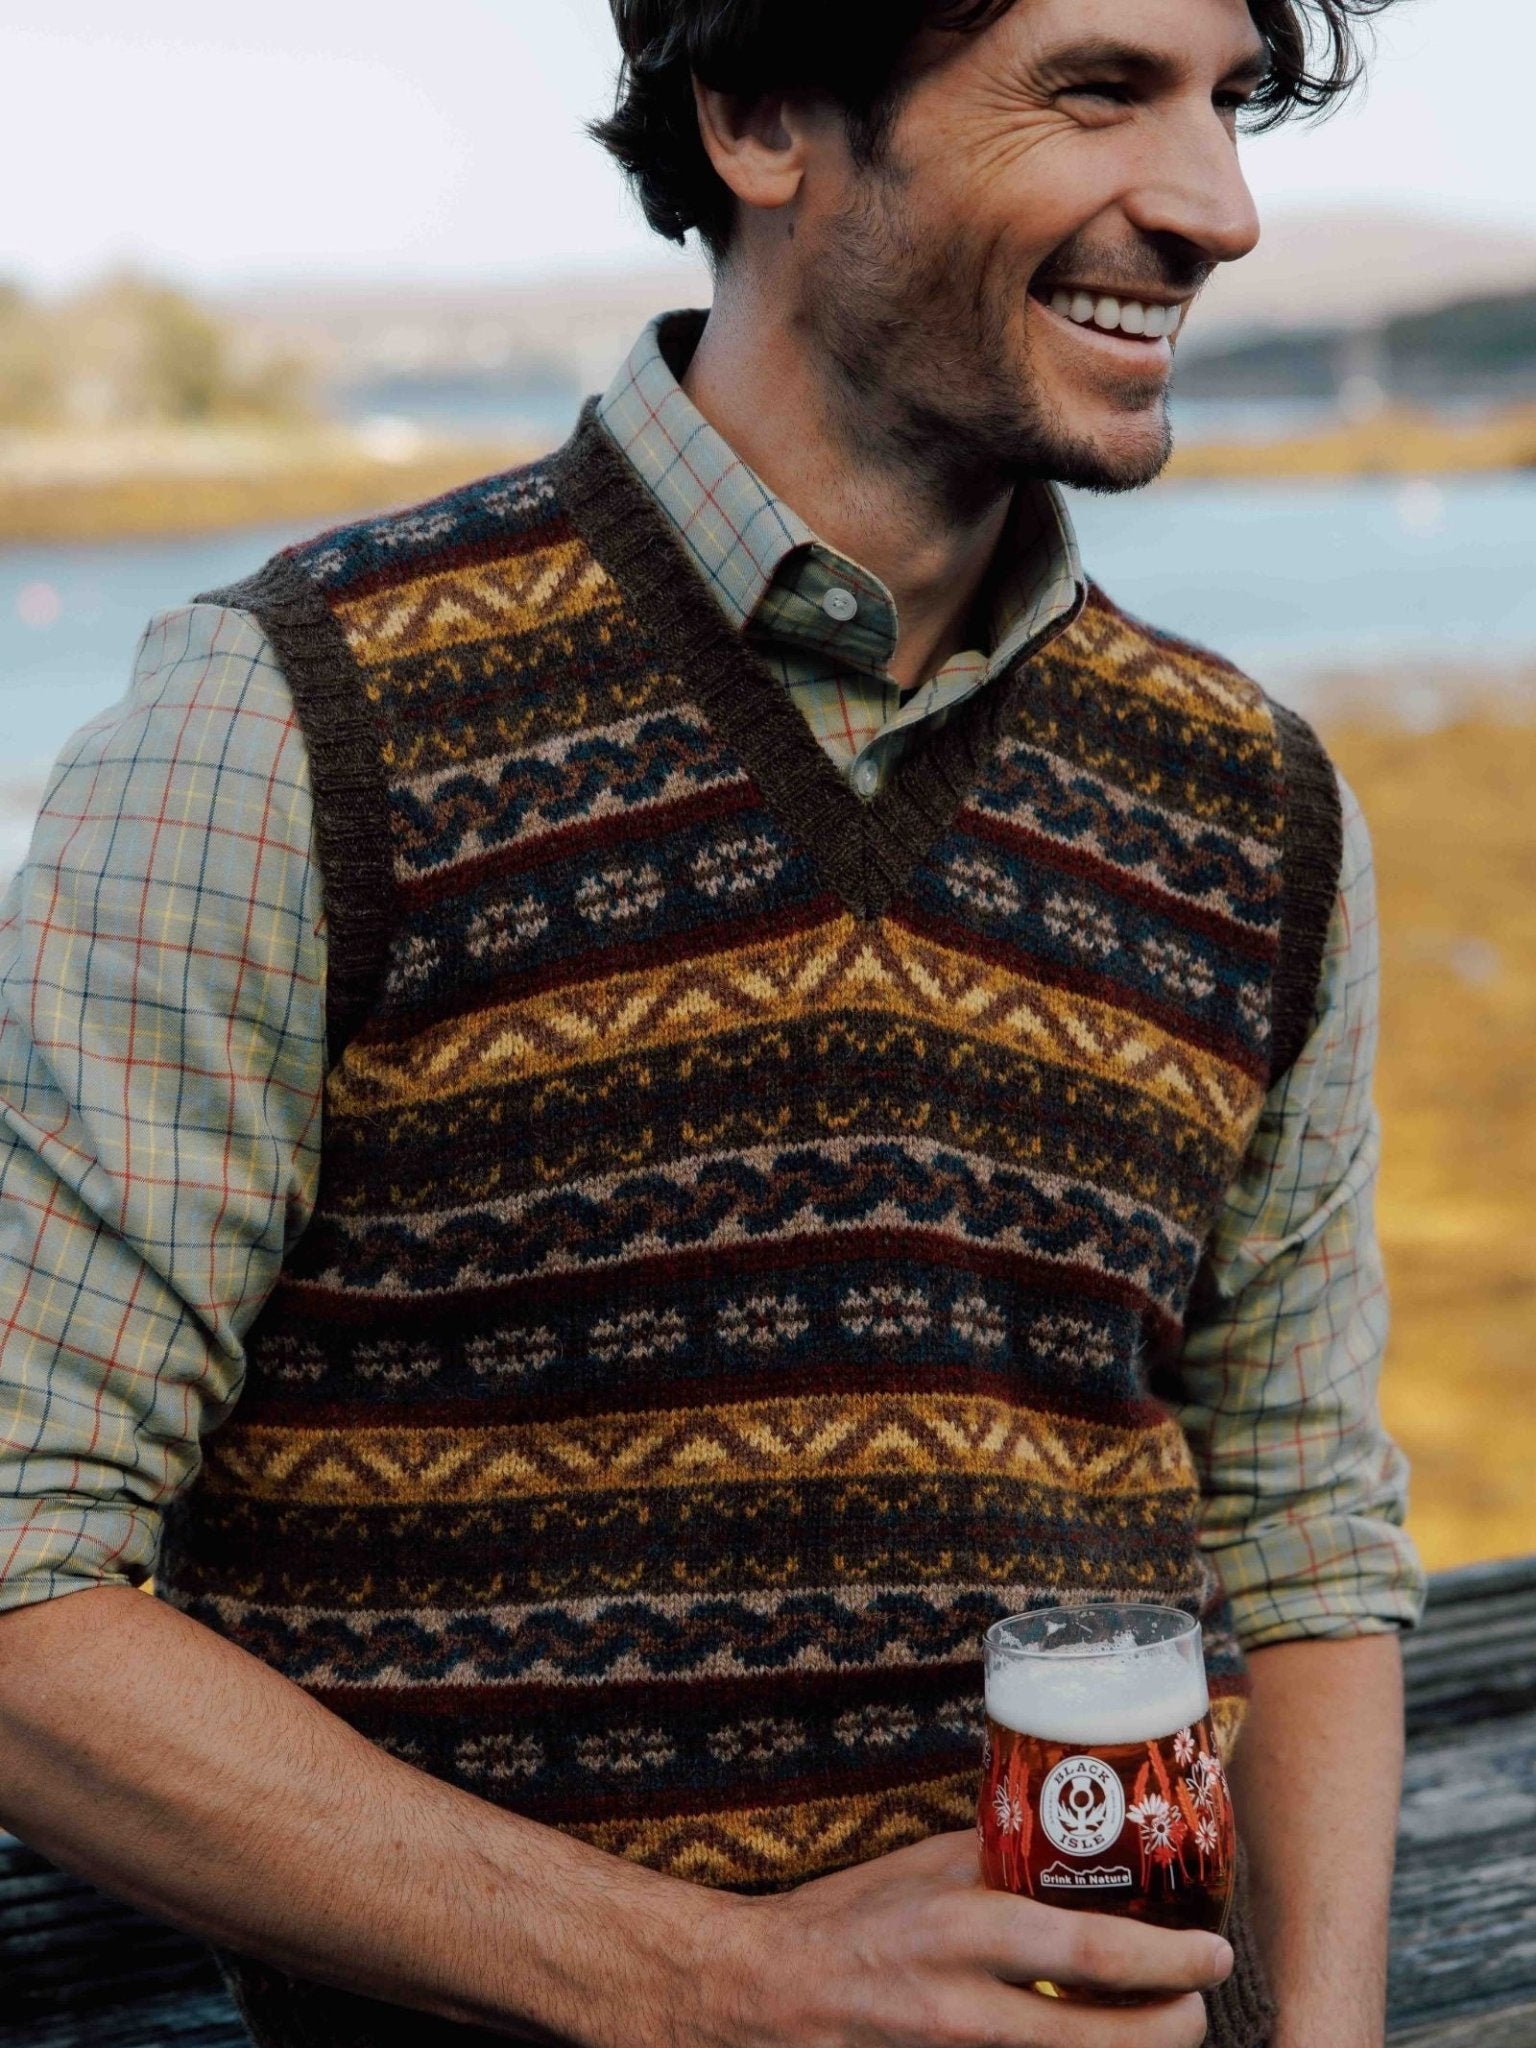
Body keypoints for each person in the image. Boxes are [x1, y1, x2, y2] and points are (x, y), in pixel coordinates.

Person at [0, 2, 1424, 2045]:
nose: (1220, 207)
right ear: (761, 115)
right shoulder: (290, 725)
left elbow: (1298, 1535)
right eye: (1101, 89)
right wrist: (712, 1983)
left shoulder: (1256, 805)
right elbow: (23, 1570)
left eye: (1232, 104)